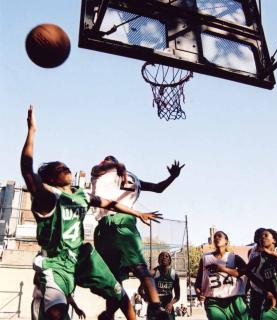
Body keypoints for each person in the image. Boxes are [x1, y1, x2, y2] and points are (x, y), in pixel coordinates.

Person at [21, 106, 162, 320]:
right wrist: (32, 131)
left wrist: (137, 213)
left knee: (121, 296)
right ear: (50, 179)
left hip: (82, 256)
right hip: (56, 263)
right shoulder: (48, 197)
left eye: (66, 165)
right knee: (58, 314)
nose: (66, 168)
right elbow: (26, 169)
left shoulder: (83, 196)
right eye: (60, 168)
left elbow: (111, 203)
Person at [91, 154, 184, 319]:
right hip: (126, 222)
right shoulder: (133, 178)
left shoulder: (102, 173)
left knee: (117, 278)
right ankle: (152, 306)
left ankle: (145, 309)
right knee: (135, 269)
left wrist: (116, 165)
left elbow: (97, 168)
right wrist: (172, 177)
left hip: (108, 225)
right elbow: (158, 188)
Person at [194, 231, 248, 320]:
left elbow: (244, 272)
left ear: (226, 241)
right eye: (215, 237)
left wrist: (222, 269)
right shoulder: (205, 258)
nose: (216, 238)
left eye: (219, 236)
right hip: (213, 300)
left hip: (234, 299)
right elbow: (198, 281)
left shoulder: (234, 257)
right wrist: (198, 292)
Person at [143, 252, 180, 320]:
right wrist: (147, 298)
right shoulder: (153, 272)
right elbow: (141, 289)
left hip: (167, 307)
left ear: (169, 260)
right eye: (162, 256)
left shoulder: (174, 275)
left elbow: (177, 296)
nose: (164, 257)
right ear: (158, 260)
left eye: (166, 256)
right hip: (154, 308)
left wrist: (171, 304)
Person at [247, 228, 266, 320]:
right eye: (256, 234)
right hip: (255, 288)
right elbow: (248, 271)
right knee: (255, 314)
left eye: (262, 234)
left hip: (268, 287)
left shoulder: (269, 250)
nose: (258, 236)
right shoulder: (251, 251)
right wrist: (246, 289)